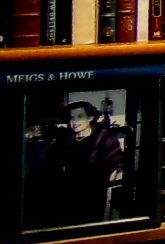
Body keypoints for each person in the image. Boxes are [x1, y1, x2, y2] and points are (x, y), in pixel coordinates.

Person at [34, 96, 127, 228]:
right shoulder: (67, 140)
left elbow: (115, 166)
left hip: (91, 197)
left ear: (90, 118)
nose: (75, 122)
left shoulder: (104, 139)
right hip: (66, 196)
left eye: (80, 117)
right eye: (72, 118)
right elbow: (51, 165)